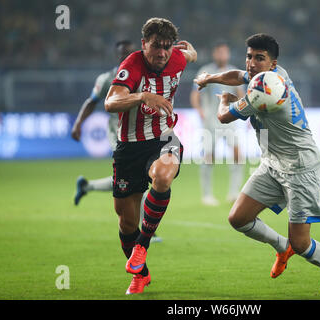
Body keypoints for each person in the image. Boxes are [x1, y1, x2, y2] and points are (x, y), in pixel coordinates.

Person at [194, 33, 320, 294]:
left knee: (301, 243)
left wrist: (224, 100)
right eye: (249, 56)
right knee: (238, 218)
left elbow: (224, 117)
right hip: (273, 163)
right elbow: (239, 75)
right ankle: (280, 246)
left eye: (259, 58)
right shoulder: (270, 74)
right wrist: (212, 79)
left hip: (300, 168)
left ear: (272, 63)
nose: (251, 63)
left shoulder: (265, 93)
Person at [104, 17, 197, 294]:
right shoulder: (132, 65)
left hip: (163, 139)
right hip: (129, 148)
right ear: (144, 44)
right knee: (126, 220)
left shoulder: (177, 58)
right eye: (156, 46)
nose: (162, 53)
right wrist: (143, 96)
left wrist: (192, 52)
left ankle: (142, 246)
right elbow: (111, 102)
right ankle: (141, 275)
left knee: (163, 175)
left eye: (167, 47)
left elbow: (190, 54)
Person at [71, 40, 163, 242]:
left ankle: (87, 187)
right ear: (118, 55)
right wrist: (78, 124)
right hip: (119, 133)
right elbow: (91, 102)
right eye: (123, 54)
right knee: (136, 175)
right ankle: (146, 230)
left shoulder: (145, 73)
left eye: (129, 53)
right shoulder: (107, 79)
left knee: (129, 178)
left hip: (142, 133)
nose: (126, 57)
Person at [190, 41, 245, 205]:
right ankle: (207, 195)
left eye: (225, 52)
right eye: (219, 52)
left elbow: (241, 94)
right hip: (211, 122)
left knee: (237, 156)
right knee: (209, 157)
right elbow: (195, 94)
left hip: (230, 121)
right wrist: (199, 110)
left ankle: (234, 193)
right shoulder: (206, 72)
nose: (222, 55)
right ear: (214, 54)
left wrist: (243, 111)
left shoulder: (234, 72)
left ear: (228, 54)